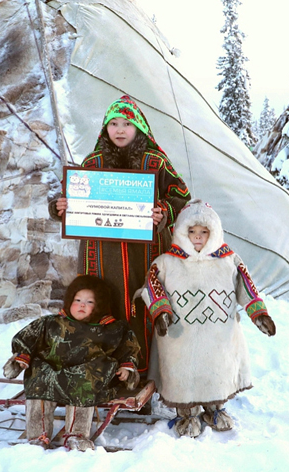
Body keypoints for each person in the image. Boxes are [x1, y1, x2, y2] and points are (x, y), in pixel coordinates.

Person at [49, 95, 191, 378]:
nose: (120, 129)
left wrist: (163, 212)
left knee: (141, 309)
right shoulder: (93, 162)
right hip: (100, 255)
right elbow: (71, 197)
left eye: (127, 123)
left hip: (145, 255)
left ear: (139, 127)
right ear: (105, 128)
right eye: (113, 123)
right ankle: (99, 375)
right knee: (102, 306)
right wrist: (59, 207)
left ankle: (145, 375)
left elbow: (181, 196)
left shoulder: (156, 162)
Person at [140, 199, 276, 438]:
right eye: (191, 231)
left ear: (214, 232)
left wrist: (259, 313)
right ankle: (187, 413)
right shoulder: (167, 262)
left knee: (217, 369)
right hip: (179, 336)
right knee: (183, 373)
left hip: (219, 335)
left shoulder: (228, 260)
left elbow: (246, 286)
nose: (197, 237)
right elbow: (151, 286)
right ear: (181, 231)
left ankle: (215, 409)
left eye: (204, 232)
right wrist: (160, 311)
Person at [2, 275, 141, 451]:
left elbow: (128, 347)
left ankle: (77, 435)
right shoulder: (51, 323)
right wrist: (22, 357)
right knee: (38, 376)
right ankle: (38, 436)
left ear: (99, 306)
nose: (82, 305)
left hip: (87, 376)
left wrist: (126, 367)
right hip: (53, 373)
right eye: (78, 300)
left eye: (89, 302)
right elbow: (27, 338)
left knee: (84, 379)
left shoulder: (111, 328)